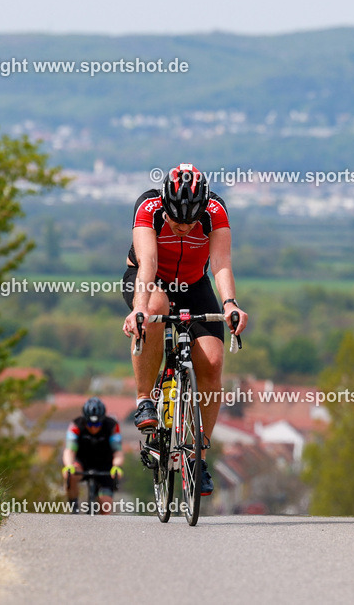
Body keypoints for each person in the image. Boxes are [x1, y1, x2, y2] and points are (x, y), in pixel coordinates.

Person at [121, 163, 249, 496]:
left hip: (194, 284)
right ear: (165, 205)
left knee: (213, 361)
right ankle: (145, 400)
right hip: (151, 282)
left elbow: (220, 263)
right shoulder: (148, 208)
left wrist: (231, 304)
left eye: (189, 222)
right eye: (176, 221)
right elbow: (147, 264)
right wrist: (138, 308)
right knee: (154, 309)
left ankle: (198, 459)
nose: (182, 228)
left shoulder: (214, 212)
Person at [62, 397, 124, 514]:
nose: (93, 428)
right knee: (68, 474)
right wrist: (69, 465)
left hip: (105, 466)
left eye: (98, 424)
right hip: (83, 463)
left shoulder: (112, 426)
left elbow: (118, 452)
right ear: (85, 420)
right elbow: (69, 450)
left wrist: (117, 465)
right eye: (90, 423)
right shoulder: (76, 425)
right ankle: (74, 507)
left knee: (105, 505)